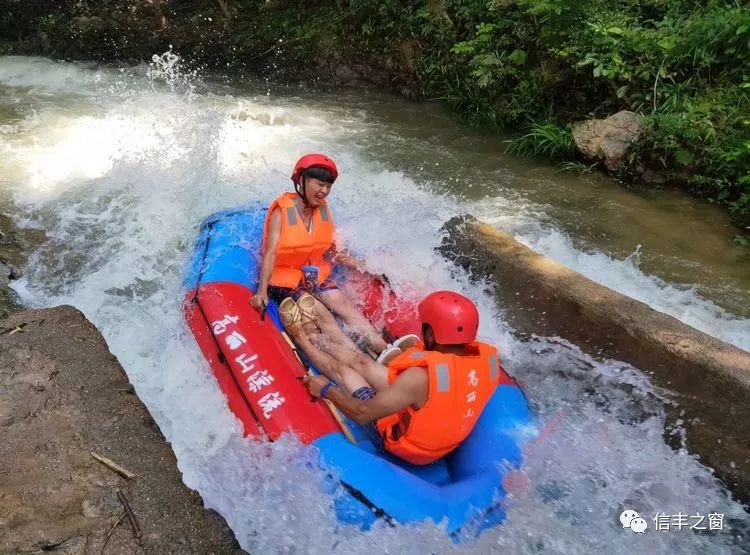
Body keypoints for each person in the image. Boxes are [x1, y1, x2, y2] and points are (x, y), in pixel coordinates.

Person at [281, 290, 502, 465]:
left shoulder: (418, 378)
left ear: (431, 334)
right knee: (363, 362)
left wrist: (326, 389)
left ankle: (302, 338)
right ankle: (319, 339)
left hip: (402, 443)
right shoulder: (488, 363)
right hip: (424, 406)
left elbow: (362, 413)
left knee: (344, 373)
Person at [250, 153, 417, 360]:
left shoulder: (323, 211)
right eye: (320, 184)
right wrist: (262, 291)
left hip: (314, 275)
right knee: (322, 313)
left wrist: (366, 267)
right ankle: (362, 359)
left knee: (343, 304)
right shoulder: (281, 212)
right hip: (284, 281)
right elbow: (271, 252)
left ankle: (385, 348)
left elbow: (331, 251)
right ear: (302, 181)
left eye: (328, 186)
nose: (324, 192)